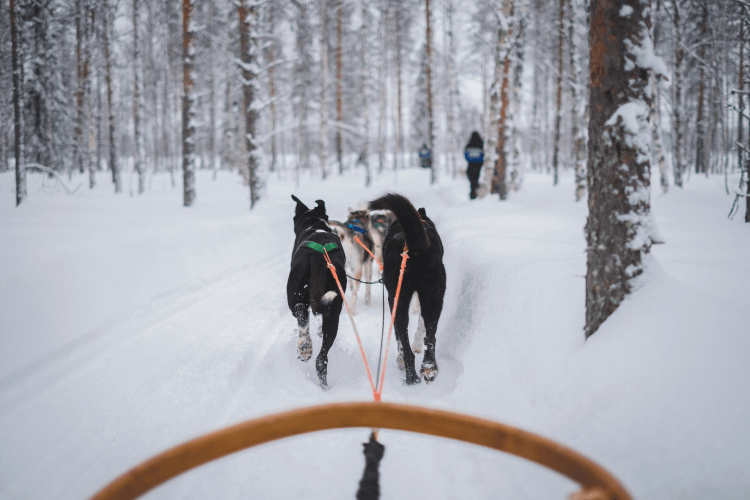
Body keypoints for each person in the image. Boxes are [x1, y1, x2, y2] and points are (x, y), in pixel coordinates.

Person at [464, 131, 484, 199]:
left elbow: (465, 154)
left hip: (471, 165)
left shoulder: (469, 144)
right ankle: (476, 193)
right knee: (476, 179)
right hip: (479, 165)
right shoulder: (481, 143)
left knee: (472, 181)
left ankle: (473, 194)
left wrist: (470, 160)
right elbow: (484, 154)